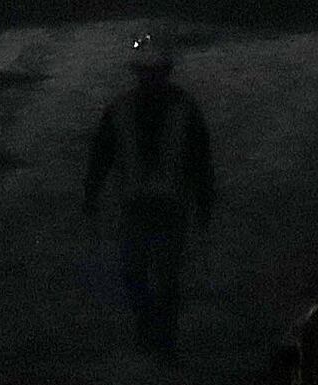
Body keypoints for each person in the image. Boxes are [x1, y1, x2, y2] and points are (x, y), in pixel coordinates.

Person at [82, 37, 217, 362]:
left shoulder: (131, 108)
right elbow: (103, 153)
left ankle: (160, 336)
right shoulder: (168, 108)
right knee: (142, 273)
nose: (151, 79)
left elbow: (199, 157)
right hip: (151, 204)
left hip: (158, 205)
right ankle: (155, 332)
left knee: (156, 274)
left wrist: (92, 193)